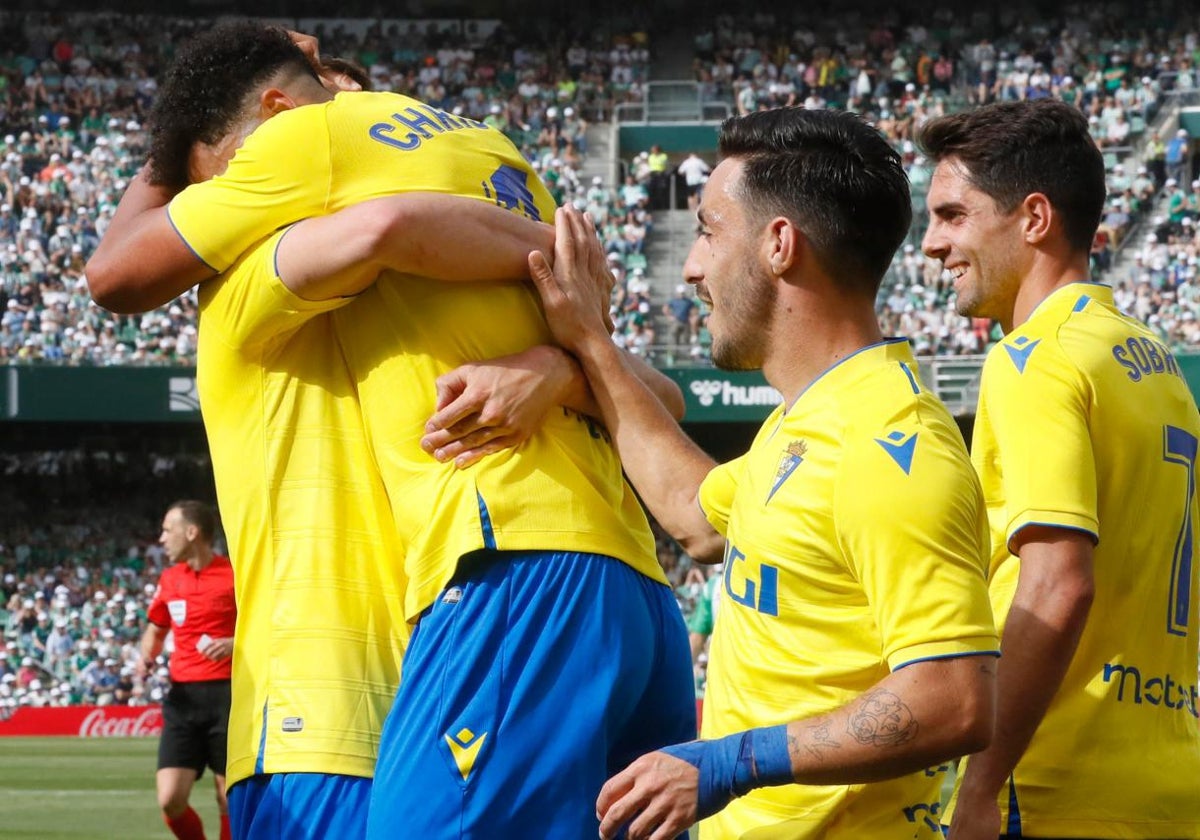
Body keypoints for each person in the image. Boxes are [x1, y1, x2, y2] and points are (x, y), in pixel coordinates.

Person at [87, 22, 694, 840]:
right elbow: (131, 265)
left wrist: (559, 365)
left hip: (461, 621)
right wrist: (564, 283)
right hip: (328, 702)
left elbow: (651, 387)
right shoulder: (256, 282)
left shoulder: (375, 231)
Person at [522, 107, 999, 839]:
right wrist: (584, 348)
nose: (692, 267)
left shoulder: (893, 443)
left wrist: (730, 762)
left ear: (780, 245)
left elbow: (955, 697)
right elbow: (693, 511)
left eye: (710, 232)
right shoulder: (803, 424)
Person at [919, 98, 1200, 840]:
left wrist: (980, 785)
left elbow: (1059, 581)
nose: (929, 243)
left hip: (1052, 784)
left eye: (952, 215)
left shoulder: (1033, 359)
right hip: (1168, 782)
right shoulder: (1154, 361)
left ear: (1033, 217)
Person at [139, 501, 235, 840]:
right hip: (182, 698)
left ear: (191, 532)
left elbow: (266, 629)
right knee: (170, 799)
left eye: (168, 529)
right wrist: (145, 659)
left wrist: (233, 644)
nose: (161, 538)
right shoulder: (169, 579)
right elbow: (156, 628)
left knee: (229, 801)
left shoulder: (234, 574)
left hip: (229, 696)